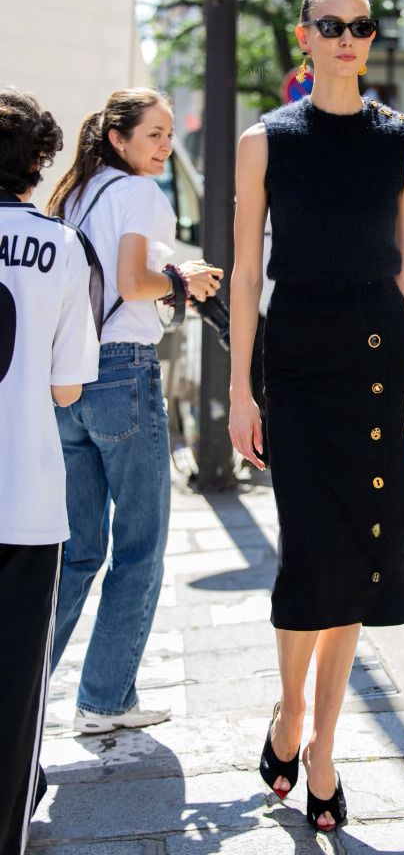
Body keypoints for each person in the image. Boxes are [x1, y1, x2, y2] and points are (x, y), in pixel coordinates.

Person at [229, 0, 404, 833]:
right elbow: (246, 273)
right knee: (309, 551)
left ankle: (322, 748)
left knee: (360, 555)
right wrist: (241, 387)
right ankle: (289, 712)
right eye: (332, 25)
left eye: (362, 26)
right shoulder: (265, 140)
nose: (349, 37)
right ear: (303, 37)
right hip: (299, 362)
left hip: (378, 363)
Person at [47, 88, 223, 734]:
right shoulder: (140, 194)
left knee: (78, 551)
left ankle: (26, 687)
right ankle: (104, 700)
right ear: (118, 138)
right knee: (140, 547)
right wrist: (185, 280)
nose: (164, 145)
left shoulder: (76, 194)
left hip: (67, 380)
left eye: (169, 133)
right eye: (152, 133)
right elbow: (131, 285)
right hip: (122, 370)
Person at [0, 87, 100, 854]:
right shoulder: (60, 246)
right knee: (13, 692)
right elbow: (68, 385)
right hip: (24, 497)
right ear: (39, 163)